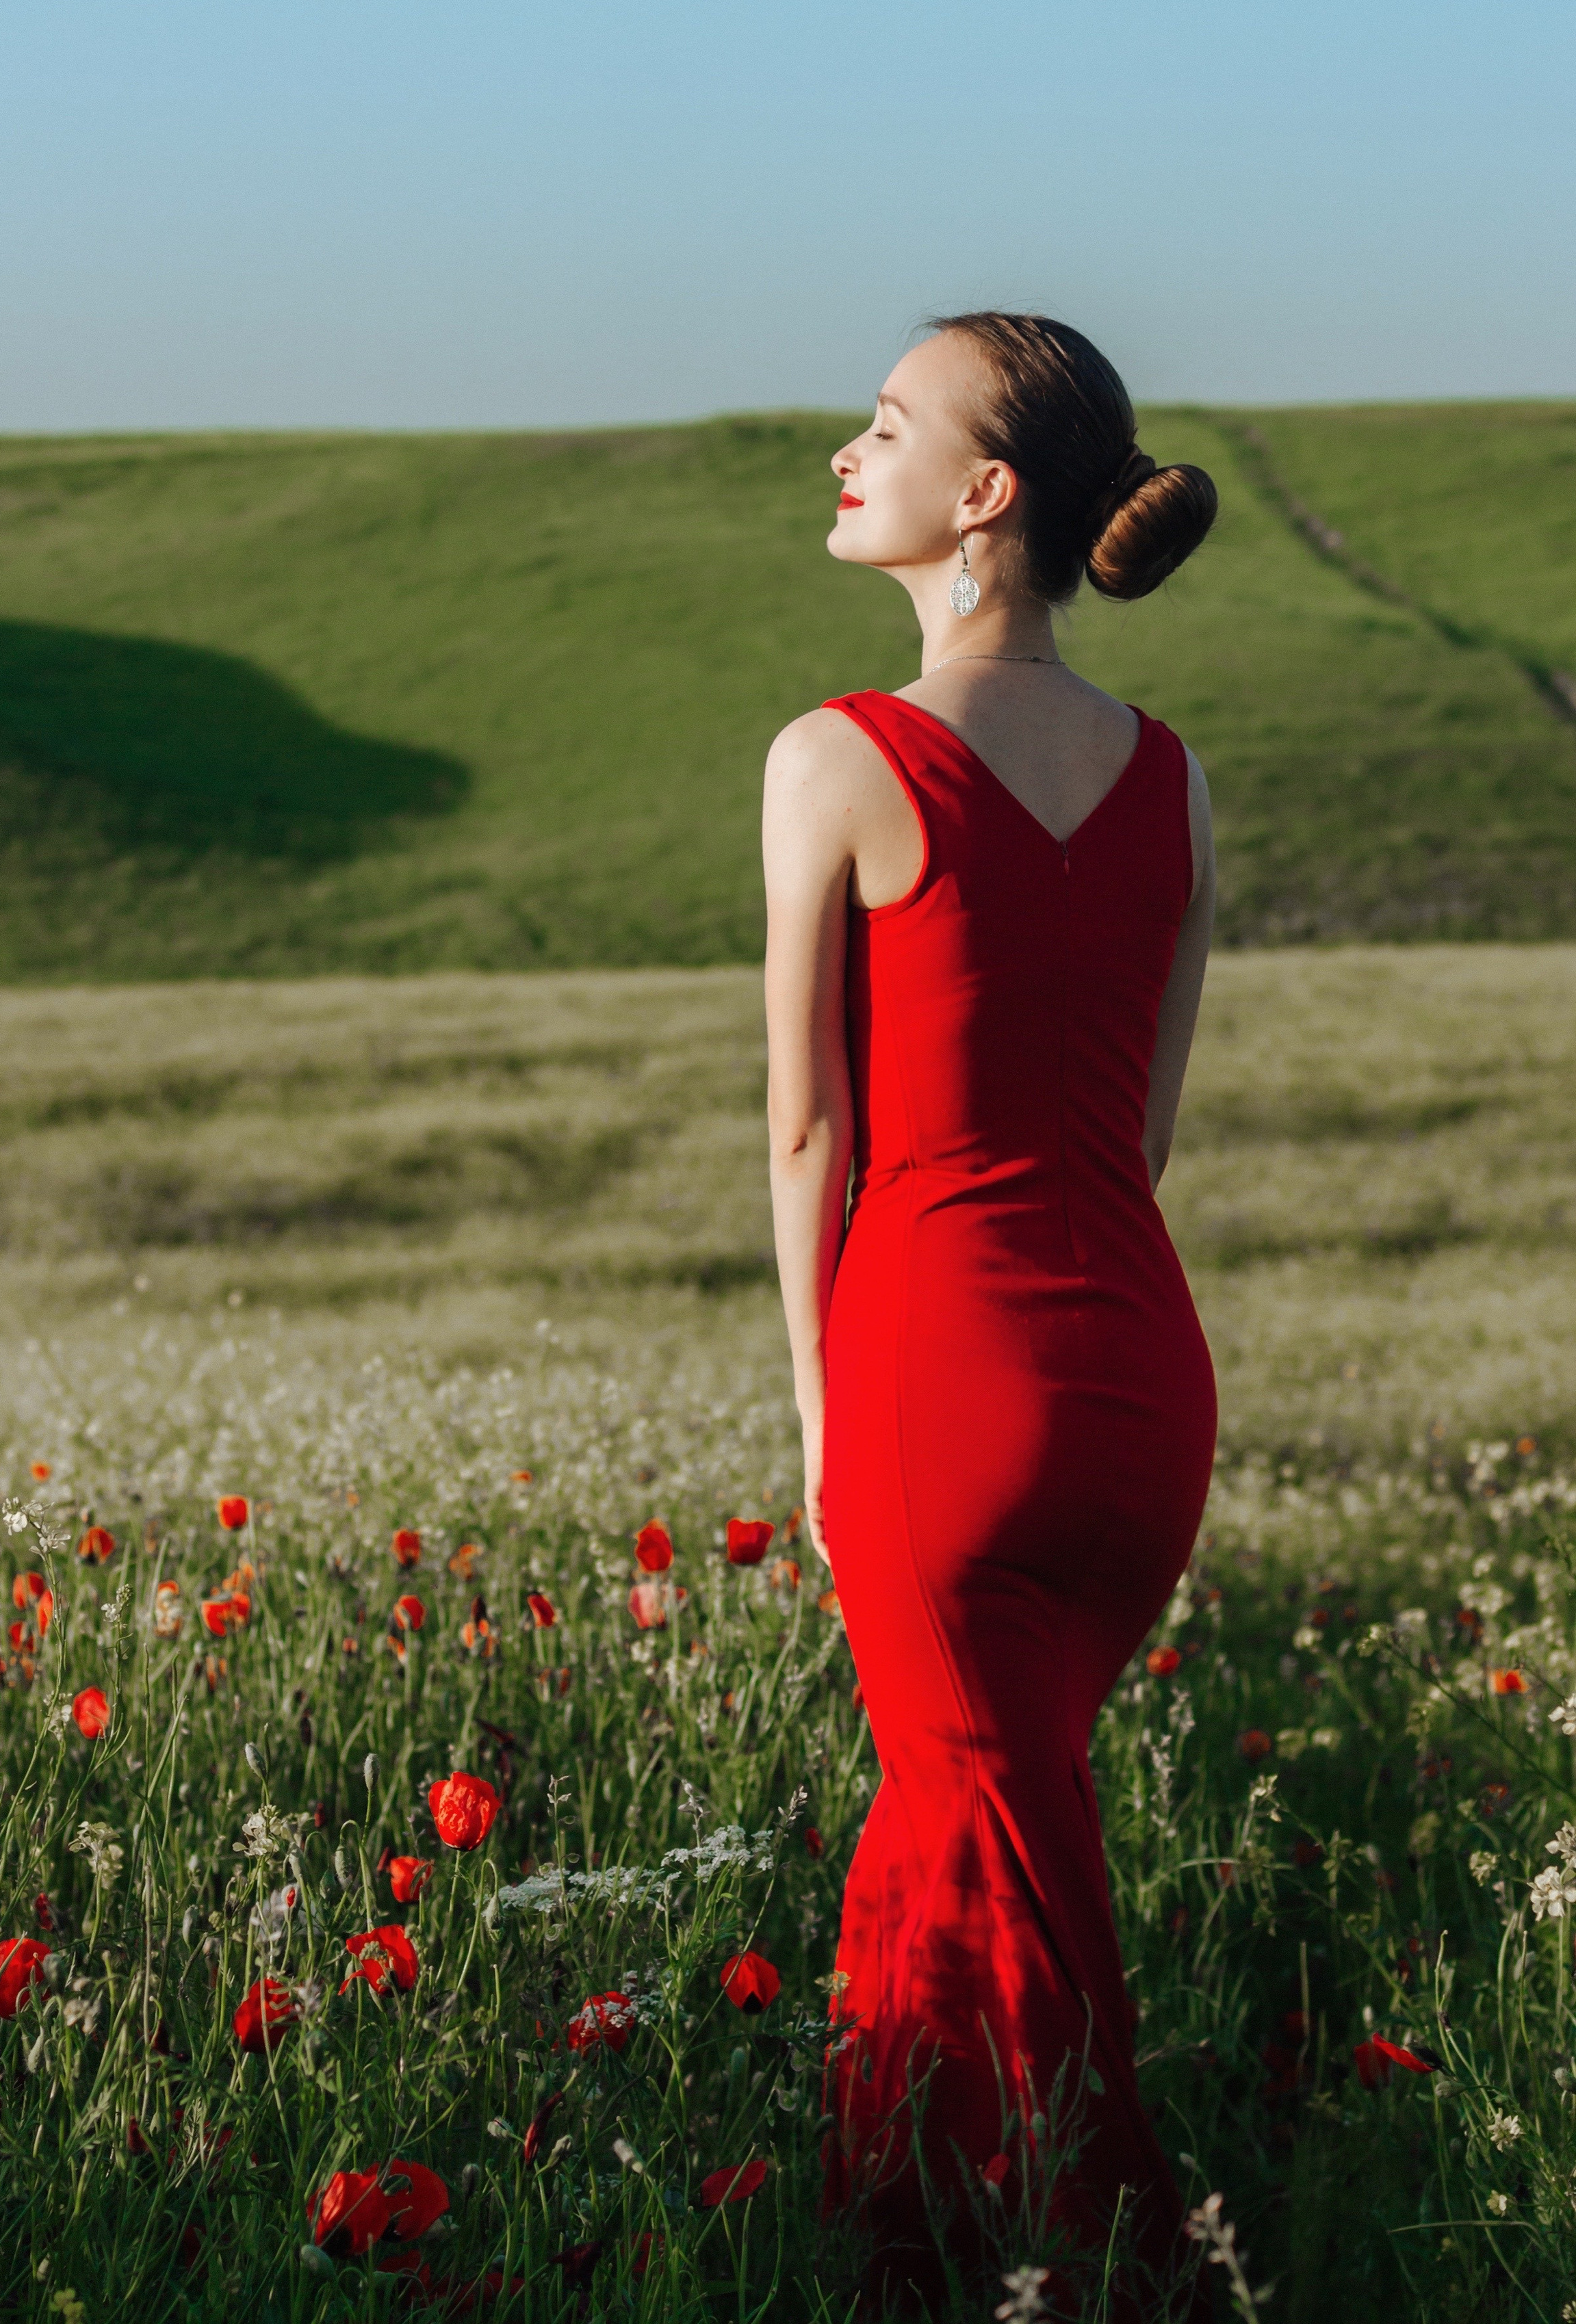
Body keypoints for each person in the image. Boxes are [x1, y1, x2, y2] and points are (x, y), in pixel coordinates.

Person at [761, 312, 1220, 2314]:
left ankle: (1118, 2265)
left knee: (989, 1837)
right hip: (1135, 1384)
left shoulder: (837, 756)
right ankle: (929, 2254)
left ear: (987, 492)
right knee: (968, 1827)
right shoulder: (1176, 783)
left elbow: (805, 1134)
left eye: (884, 425)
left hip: (941, 1373)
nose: (842, 456)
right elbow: (1144, 1132)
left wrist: (820, 1410)